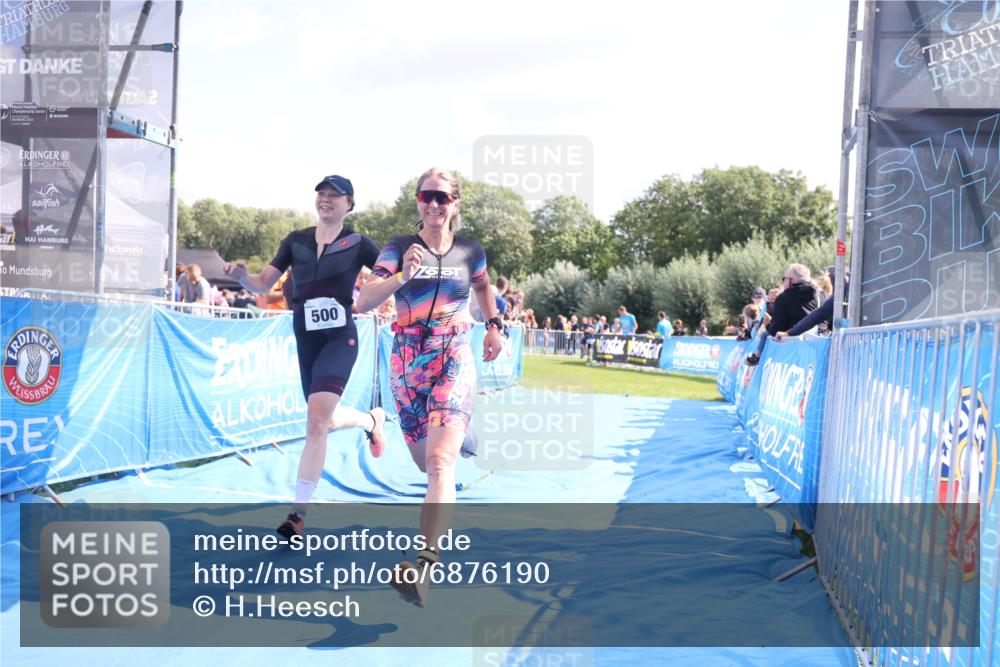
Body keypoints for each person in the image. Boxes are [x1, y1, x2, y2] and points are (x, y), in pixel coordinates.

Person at [356, 167, 503, 607]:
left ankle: (424, 565)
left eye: (443, 197)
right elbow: (363, 300)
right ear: (418, 202)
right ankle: (460, 435)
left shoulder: (470, 251)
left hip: (453, 353)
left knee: (440, 462)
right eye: (427, 196)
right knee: (425, 464)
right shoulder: (399, 248)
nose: (434, 204)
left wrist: (493, 325)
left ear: (455, 202)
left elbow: (483, 286)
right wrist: (401, 276)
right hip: (406, 361)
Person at [223, 174, 387, 538]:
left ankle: (297, 514)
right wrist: (241, 277)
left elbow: (386, 277)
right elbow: (263, 283)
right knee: (322, 422)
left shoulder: (359, 243)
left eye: (335, 195)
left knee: (315, 422)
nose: (326, 200)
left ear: (349, 204)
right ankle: (370, 421)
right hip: (305, 337)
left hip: (340, 337)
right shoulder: (295, 241)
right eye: (322, 194)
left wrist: (389, 293)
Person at [746, 263, 820, 365]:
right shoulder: (815, 295)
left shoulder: (784, 298)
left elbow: (776, 330)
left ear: (791, 280)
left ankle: (756, 356)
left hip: (789, 351)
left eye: (784, 278)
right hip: (812, 346)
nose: (783, 281)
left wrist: (768, 324)